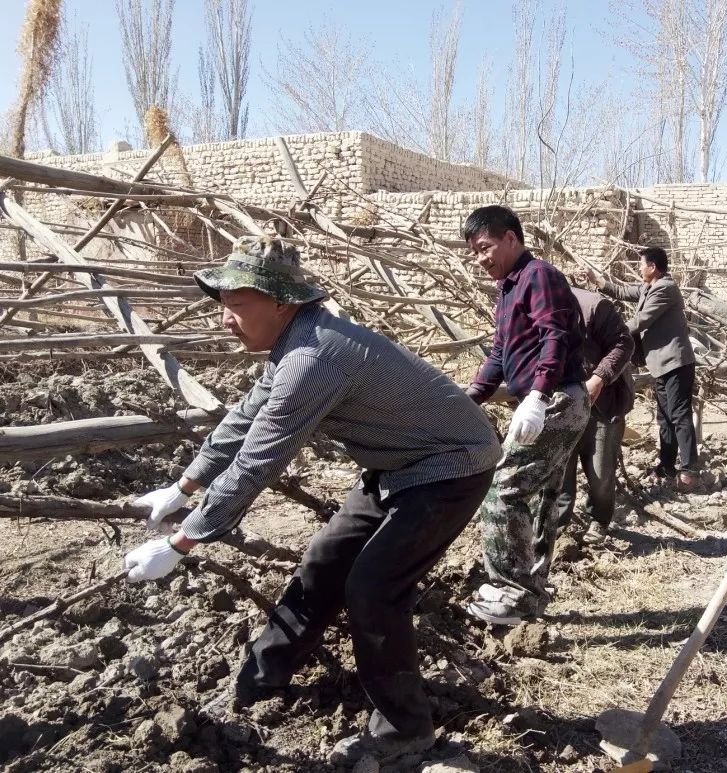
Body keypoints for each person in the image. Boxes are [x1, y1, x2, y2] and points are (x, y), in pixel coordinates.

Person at [123, 236, 501, 764]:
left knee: (373, 589)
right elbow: (242, 421)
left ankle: (407, 728)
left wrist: (183, 541)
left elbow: (258, 460)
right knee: (324, 561)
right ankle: (261, 679)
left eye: (236, 305)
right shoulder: (293, 344)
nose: (225, 319)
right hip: (399, 464)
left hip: (450, 466)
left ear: (280, 302)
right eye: (223, 306)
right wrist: (182, 487)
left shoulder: (314, 355)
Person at [462, 205, 589, 626]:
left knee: (503, 489)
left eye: (486, 247)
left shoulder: (539, 276)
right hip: (548, 399)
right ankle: (529, 596)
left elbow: (556, 335)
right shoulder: (508, 291)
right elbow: (500, 354)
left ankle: (510, 591)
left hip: (557, 400)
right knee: (541, 502)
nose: (481, 258)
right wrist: (469, 399)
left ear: (512, 238)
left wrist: (538, 394)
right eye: (474, 252)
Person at [581, 247, 698, 487]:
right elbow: (623, 291)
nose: (639, 269)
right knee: (664, 417)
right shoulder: (650, 287)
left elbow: (641, 321)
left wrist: (610, 331)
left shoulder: (665, 289)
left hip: (676, 363)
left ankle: (689, 470)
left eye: (641, 265)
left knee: (679, 415)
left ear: (653, 267)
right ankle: (666, 466)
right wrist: (598, 281)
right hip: (662, 364)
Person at [555, 287, 635, 543]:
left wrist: (599, 378)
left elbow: (624, 343)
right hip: (561, 404)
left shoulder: (593, 305)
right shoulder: (534, 307)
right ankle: (559, 523)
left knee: (601, 472)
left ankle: (599, 520)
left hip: (603, 404)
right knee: (561, 470)